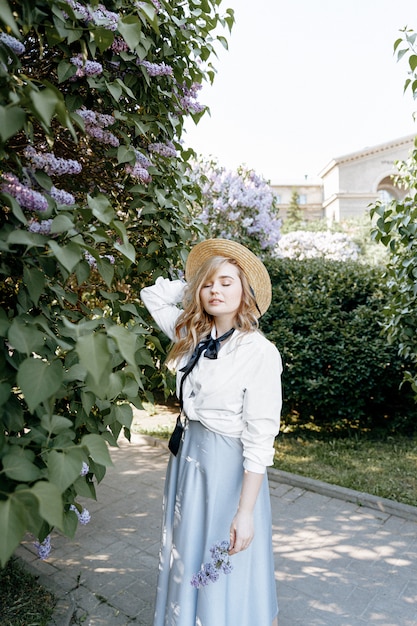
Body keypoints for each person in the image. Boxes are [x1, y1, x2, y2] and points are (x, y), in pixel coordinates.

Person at [140, 238, 282, 626]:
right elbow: (151, 295)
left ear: (245, 293)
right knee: (188, 547)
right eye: (209, 284)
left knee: (224, 550)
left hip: (227, 469)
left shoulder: (258, 352)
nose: (215, 290)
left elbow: (260, 438)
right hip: (188, 461)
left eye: (226, 282)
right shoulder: (192, 336)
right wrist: (194, 283)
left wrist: (246, 512)